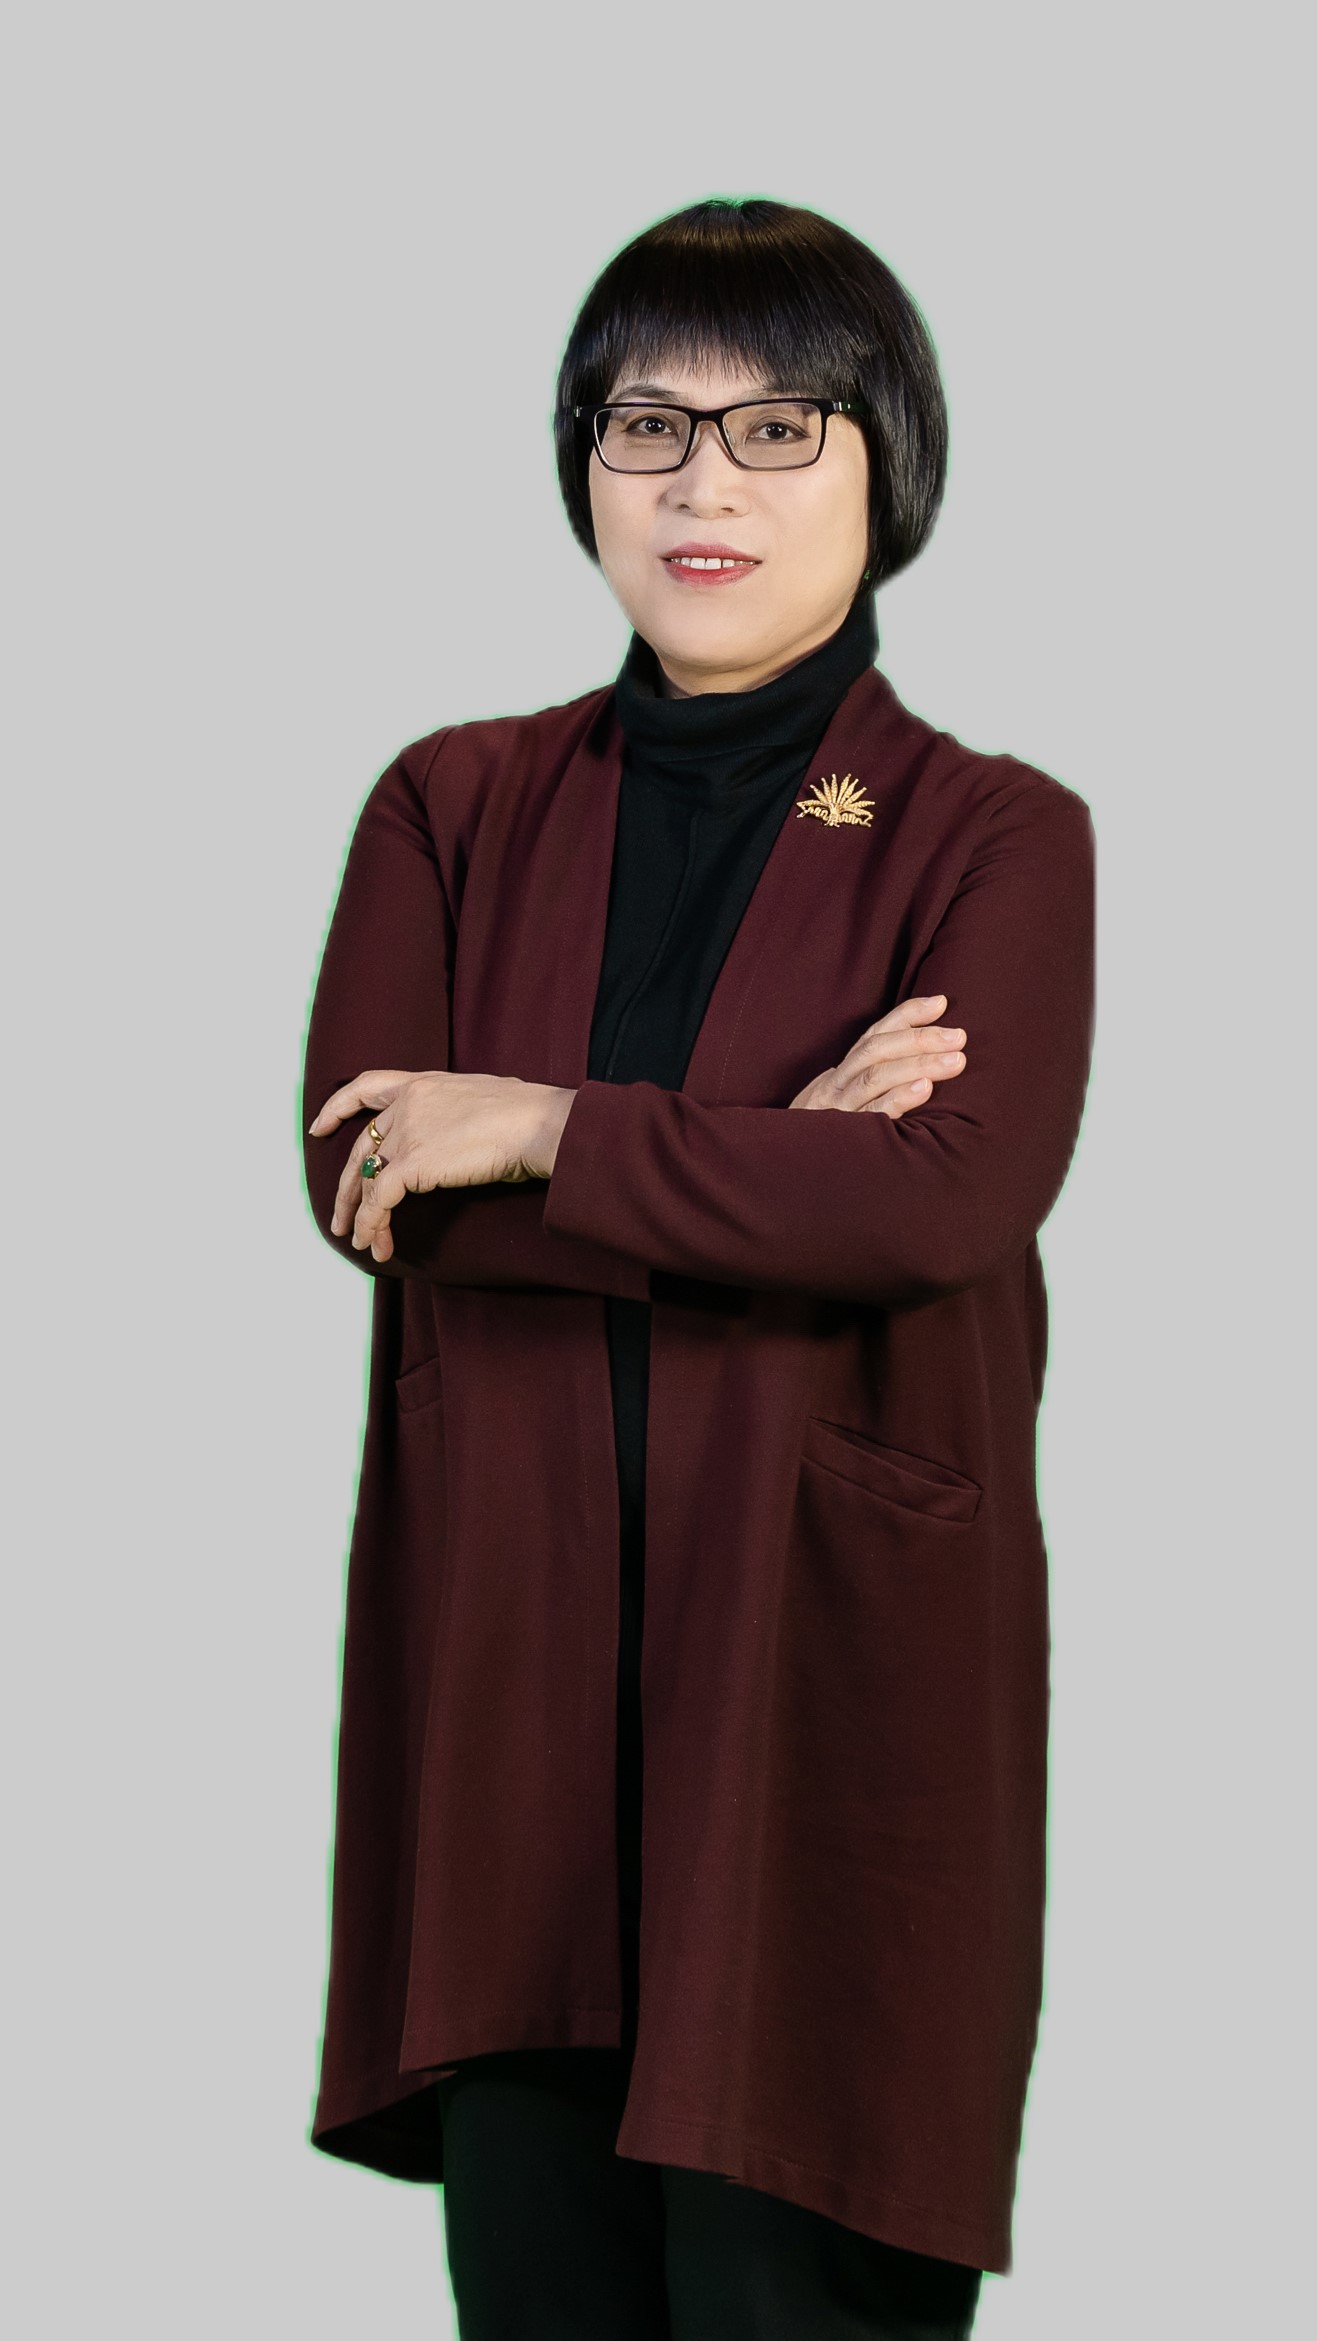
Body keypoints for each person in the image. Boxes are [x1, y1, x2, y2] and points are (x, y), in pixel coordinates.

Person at [302, 196, 1095, 2339]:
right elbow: (376, 1182)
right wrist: (775, 1150)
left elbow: (935, 1203)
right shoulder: (451, 804)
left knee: (793, 2283)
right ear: (582, 463)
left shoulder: (989, 831)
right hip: (521, 1695)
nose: (699, 485)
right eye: (645, 425)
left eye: (775, 429)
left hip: (825, 1680)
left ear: (884, 465)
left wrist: (545, 1123)